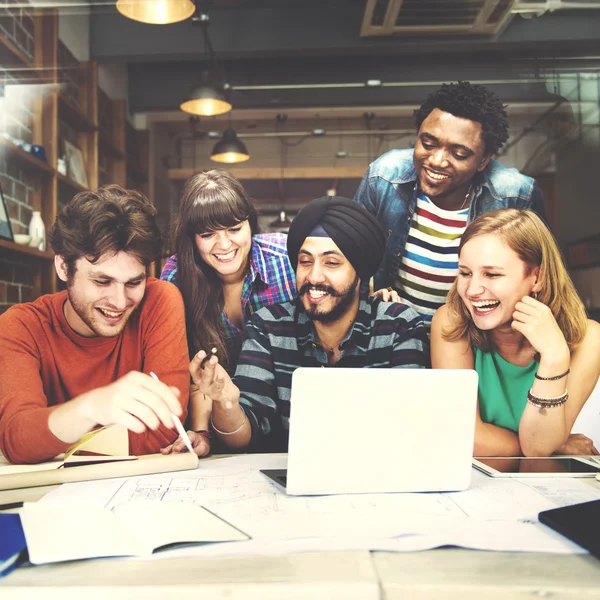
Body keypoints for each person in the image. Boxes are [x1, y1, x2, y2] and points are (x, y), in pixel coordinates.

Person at [166, 196, 428, 455]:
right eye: (305, 261)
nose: (314, 276)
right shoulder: (269, 326)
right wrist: (226, 401)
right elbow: (242, 437)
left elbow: (412, 429)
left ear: (360, 271)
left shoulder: (398, 327)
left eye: (332, 263)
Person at [0, 185, 190, 464]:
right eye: (102, 281)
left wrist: (53, 441)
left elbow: (164, 431)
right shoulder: (20, 326)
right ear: (64, 267)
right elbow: (18, 440)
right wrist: (91, 408)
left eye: (134, 282)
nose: (119, 300)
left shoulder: (159, 300)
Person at [355, 81, 547, 328]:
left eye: (458, 154)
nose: (436, 161)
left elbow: (543, 278)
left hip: (474, 335)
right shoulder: (384, 177)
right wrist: (369, 303)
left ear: (483, 161)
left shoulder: (515, 194)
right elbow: (351, 259)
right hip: (395, 332)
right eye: (428, 143)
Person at [431, 209, 600, 457]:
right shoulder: (450, 321)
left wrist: (554, 356)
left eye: (492, 274)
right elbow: (466, 437)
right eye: (465, 273)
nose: (472, 290)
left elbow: (539, 449)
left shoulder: (589, 339)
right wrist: (555, 448)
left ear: (537, 277)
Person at [159, 169, 296, 456]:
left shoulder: (287, 259)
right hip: (220, 428)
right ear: (191, 238)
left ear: (250, 224)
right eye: (208, 234)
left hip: (290, 421)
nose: (224, 246)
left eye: (234, 229)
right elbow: (194, 370)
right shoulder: (175, 277)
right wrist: (201, 433)